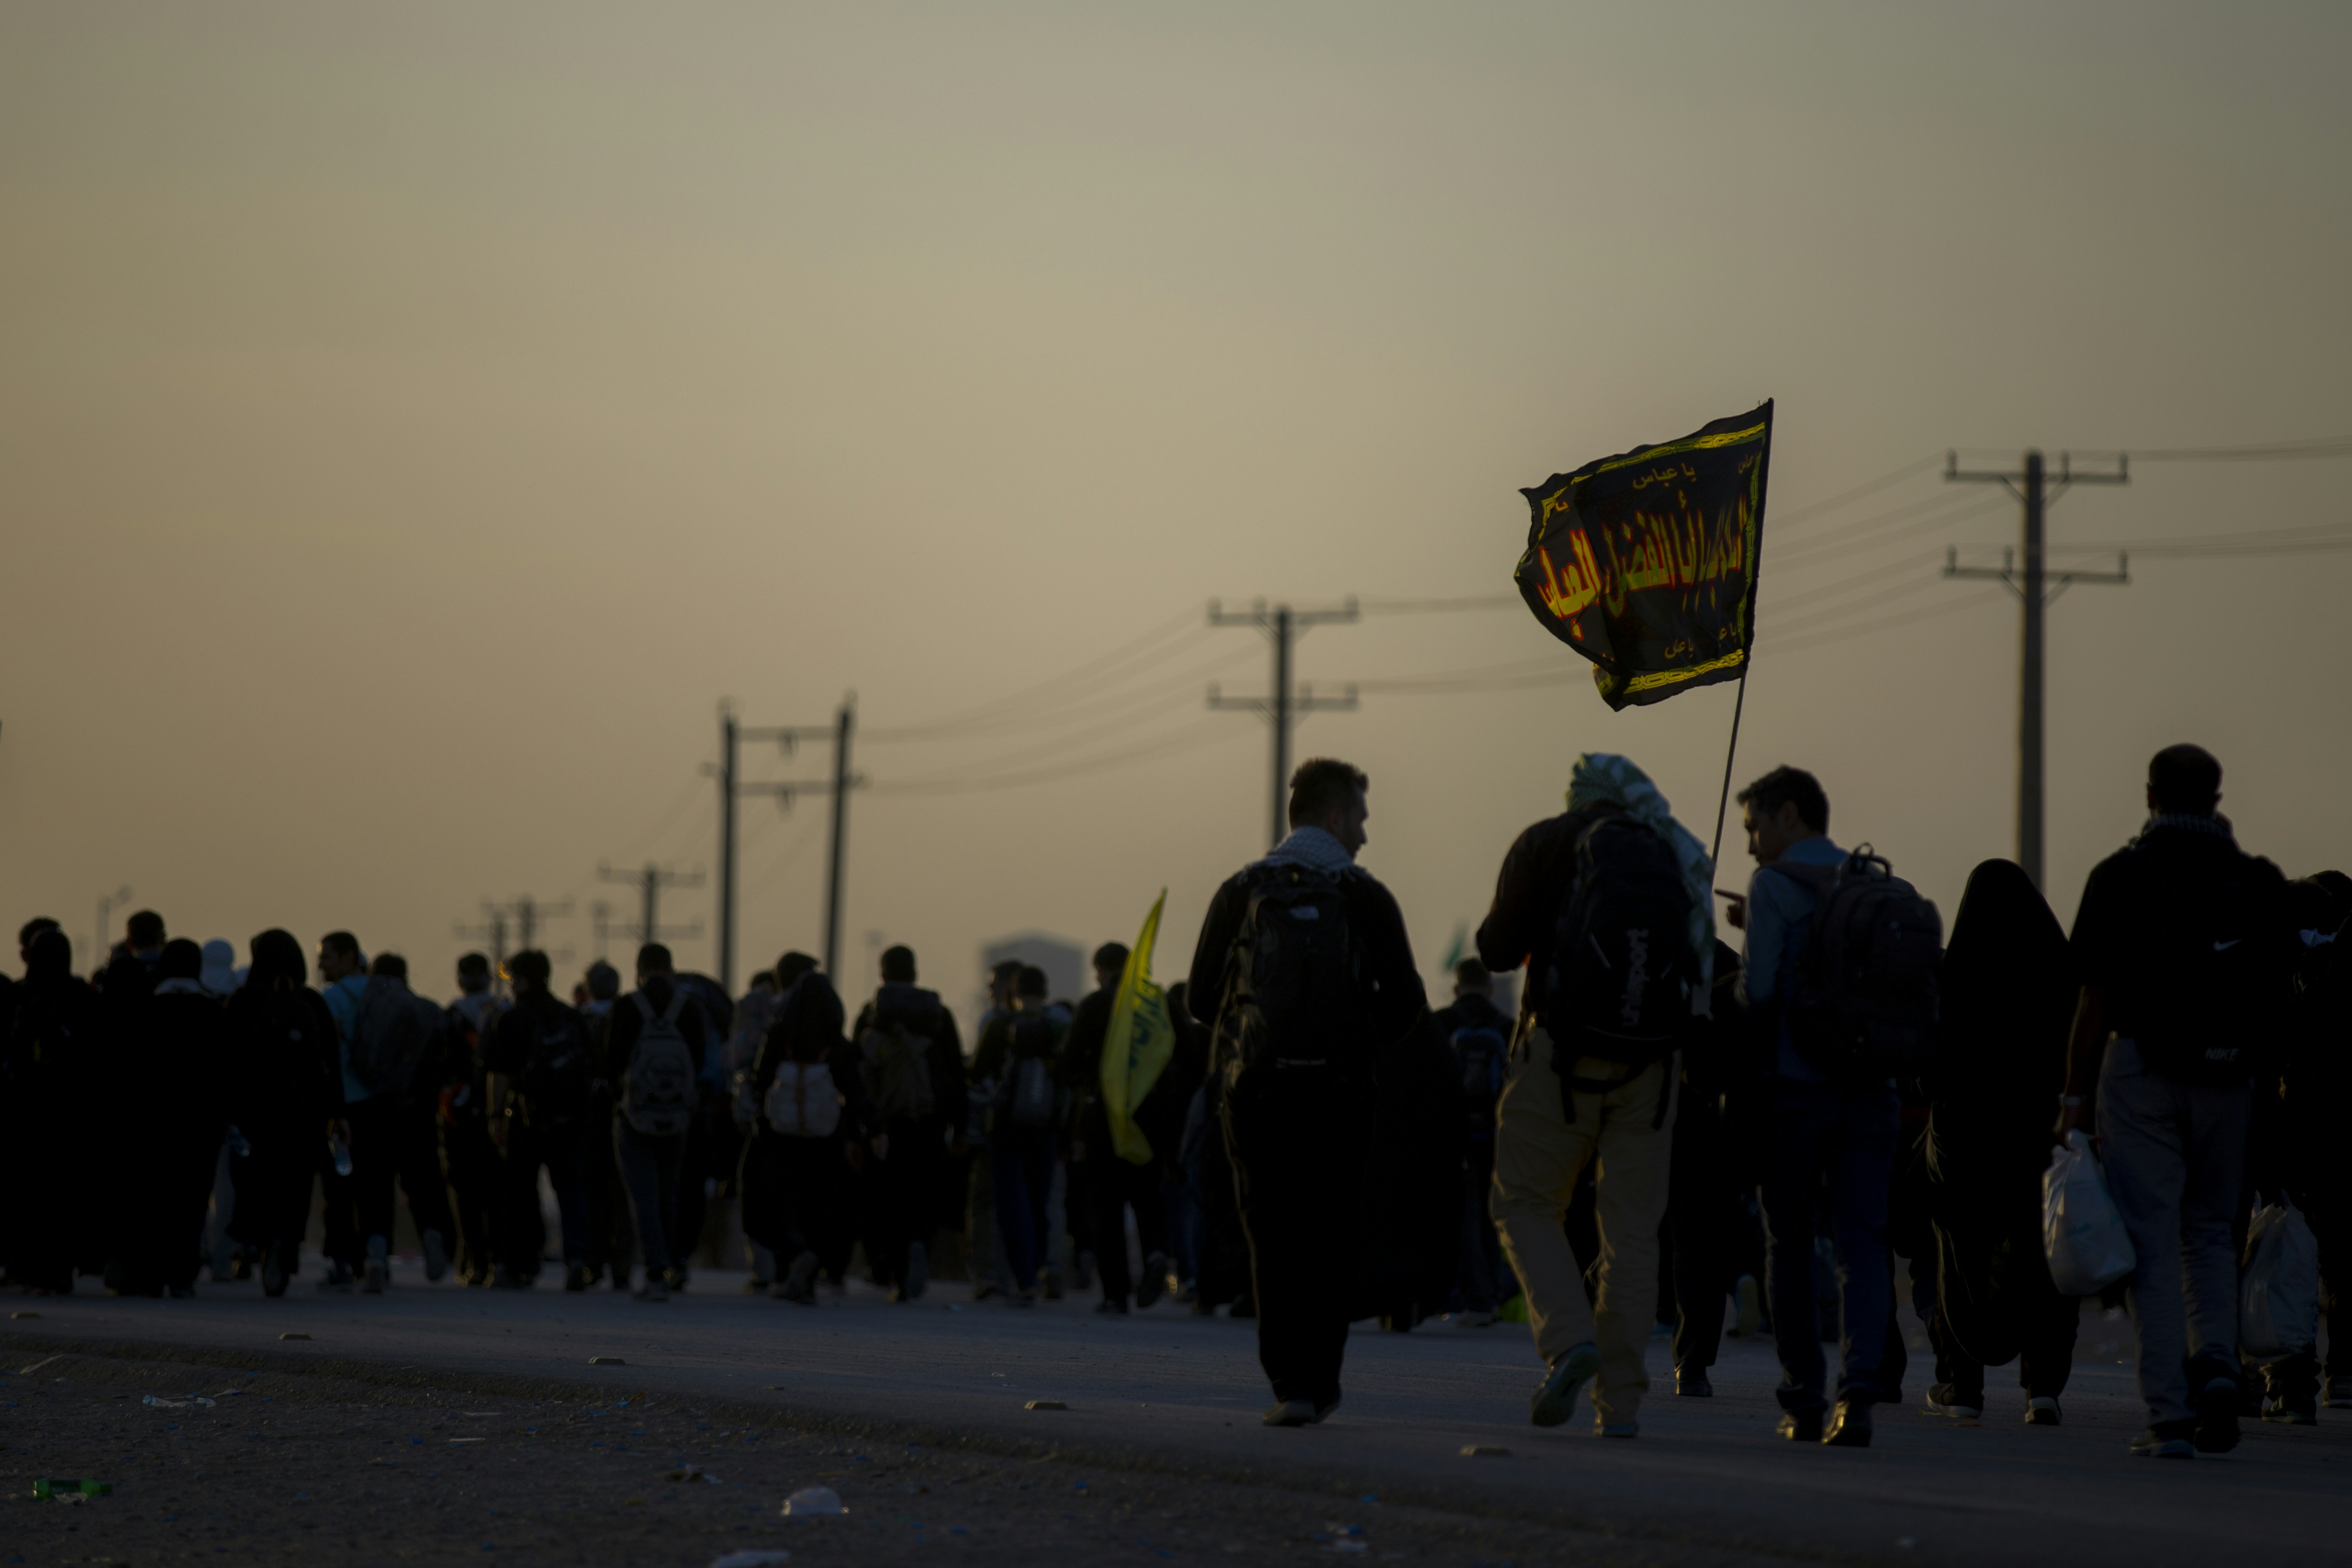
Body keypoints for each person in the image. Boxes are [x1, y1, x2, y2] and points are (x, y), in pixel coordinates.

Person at [2057, 744, 2294, 1458]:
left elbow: (2092, 997)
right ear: (2216, 798)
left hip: (2141, 1069)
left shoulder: (2119, 875)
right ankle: (2219, 1363)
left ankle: (2168, 1411)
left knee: (2152, 1241)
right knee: (2211, 1232)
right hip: (2231, 1077)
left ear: (2150, 797)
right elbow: (2278, 994)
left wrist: (2072, 1094)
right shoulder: (2257, 881)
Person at [1476, 753, 1712, 1437]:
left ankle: (1569, 1339)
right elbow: (1700, 965)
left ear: (1578, 796)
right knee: (1632, 1235)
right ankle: (1622, 1406)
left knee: (1523, 1201)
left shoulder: (1546, 841)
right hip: (1651, 1067)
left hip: (1559, 1055)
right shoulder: (1672, 851)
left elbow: (1495, 949)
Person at [1187, 757, 1427, 1425]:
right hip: (1338, 1094)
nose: (1365, 837)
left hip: (1257, 1095)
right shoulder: (1365, 895)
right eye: (1361, 820)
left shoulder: (1241, 891)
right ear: (1334, 817)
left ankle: (1287, 1383)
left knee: (1272, 1234)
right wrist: (1350, 1042)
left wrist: (1257, 1036)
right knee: (1330, 1232)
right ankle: (1321, 1381)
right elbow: (1407, 1000)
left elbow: (1200, 997)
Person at [1730, 764, 1905, 1447]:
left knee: (1791, 1241)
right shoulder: (1879, 884)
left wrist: (1747, 953)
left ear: (1791, 816)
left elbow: (1762, 992)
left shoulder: (1772, 886)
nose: (1751, 845)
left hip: (1796, 1093)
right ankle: (1858, 1390)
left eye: (1756, 827)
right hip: (1872, 1095)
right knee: (1863, 1245)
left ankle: (1803, 1396)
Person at [1921, 860, 2080, 1424]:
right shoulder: (2059, 972)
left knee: (1960, 1252)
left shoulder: (1958, 970)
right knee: (2044, 1258)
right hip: (2038, 1136)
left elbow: (1934, 1055)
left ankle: (1962, 1386)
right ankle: (2044, 1390)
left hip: (1969, 1137)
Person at [742, 963, 876, 1303]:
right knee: (821, 1207)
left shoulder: (779, 1037)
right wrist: (873, 1130)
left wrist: (758, 1119)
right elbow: (857, 1092)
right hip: (826, 1140)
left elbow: (759, 1083)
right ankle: (809, 1271)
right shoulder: (837, 1045)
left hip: (780, 1138)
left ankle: (793, 1258)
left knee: (775, 1202)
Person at [106, 940, 230, 1297]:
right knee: (190, 1199)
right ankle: (182, 1272)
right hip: (199, 1127)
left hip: (150, 1126)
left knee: (152, 1197)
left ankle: (148, 1270)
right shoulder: (213, 1015)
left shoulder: (145, 1013)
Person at [223, 929, 341, 1296]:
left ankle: (253, 1242)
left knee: (253, 1179)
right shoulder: (312, 1002)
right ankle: (283, 1251)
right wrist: (339, 1114)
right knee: (296, 1184)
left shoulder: (244, 1000)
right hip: (305, 1115)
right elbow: (331, 1063)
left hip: (254, 1112)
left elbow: (226, 1059)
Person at [851, 946, 968, 1303]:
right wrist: (960, 1127)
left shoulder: (871, 1016)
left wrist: (857, 1128)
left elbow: (857, 1073)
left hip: (884, 1122)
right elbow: (956, 1073)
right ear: (916, 973)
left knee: (885, 1195)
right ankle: (919, 1244)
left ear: (883, 974)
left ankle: (892, 1268)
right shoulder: (938, 1015)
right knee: (924, 1192)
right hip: (930, 1119)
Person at [1062, 942, 1173, 1314]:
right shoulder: (1157, 1002)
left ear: (1102, 970)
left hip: (1105, 1116)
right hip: (1152, 1114)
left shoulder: (1094, 1005)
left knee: (1107, 1205)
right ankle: (1156, 1252)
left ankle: (1115, 1294)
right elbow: (1182, 1052)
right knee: (1147, 1195)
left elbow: (1069, 1062)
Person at [596, 943, 710, 1302]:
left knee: (642, 1195)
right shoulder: (689, 1007)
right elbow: (700, 1059)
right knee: (669, 1191)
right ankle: (676, 1263)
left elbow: (610, 1062)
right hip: (677, 1117)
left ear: (639, 970)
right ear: (671, 969)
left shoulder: (627, 1006)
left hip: (634, 1115)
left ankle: (655, 1271)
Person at [486, 949, 596, 1290]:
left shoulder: (513, 1019)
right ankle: (577, 1259)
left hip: (526, 1118)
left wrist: (495, 1116)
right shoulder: (571, 1016)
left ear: (522, 979)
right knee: (571, 1191)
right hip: (568, 1119)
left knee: (521, 1191)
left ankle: (523, 1263)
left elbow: (500, 1074)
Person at [3, 927, 98, 1294]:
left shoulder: (16, 997)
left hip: (21, 1110)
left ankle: (19, 1265)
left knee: (21, 1190)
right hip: (68, 1114)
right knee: (63, 1193)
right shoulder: (81, 997)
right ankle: (59, 1269)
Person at [973, 966, 1066, 1305]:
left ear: (1014, 993)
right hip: (1046, 1128)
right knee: (1041, 1202)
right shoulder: (1060, 1028)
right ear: (1045, 992)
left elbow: (978, 1070)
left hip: (1005, 1126)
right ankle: (1043, 1267)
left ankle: (1025, 1280)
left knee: (1012, 1202)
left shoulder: (1000, 1025)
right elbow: (1071, 1078)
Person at [1430, 959, 1511, 1326]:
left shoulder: (1442, 1022)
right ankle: (1492, 1292)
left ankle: (1465, 1295)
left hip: (1454, 1133)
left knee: (1459, 1212)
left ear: (1456, 988)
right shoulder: (1507, 1026)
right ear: (1490, 987)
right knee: (1493, 1215)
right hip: (1498, 1134)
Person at [314, 930, 391, 1292]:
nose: (320, 965)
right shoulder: (385, 995)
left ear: (348, 957)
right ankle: (378, 1254)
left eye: (327, 957)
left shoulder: (330, 1000)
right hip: (380, 1103)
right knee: (377, 1182)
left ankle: (343, 1262)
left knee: (339, 1184)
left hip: (342, 1105)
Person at [440, 952, 507, 1287]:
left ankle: (474, 1260)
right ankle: (501, 1260)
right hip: (499, 1112)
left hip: (459, 1114)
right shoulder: (503, 1012)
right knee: (498, 1190)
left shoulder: (452, 1015)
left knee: (465, 1192)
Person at [963, 959, 1024, 1300]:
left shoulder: (994, 1022)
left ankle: (990, 1276)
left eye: (991, 986)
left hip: (994, 1123)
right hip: (1031, 1126)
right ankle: (1024, 1274)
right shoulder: (1042, 1023)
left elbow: (977, 1073)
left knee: (985, 1201)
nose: (988, 993)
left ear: (1005, 986)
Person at [574, 959, 631, 1290]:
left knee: (590, 1192)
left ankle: (592, 1261)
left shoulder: (578, 1019)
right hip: (627, 1114)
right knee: (623, 1193)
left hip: (587, 1119)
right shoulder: (631, 1016)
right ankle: (622, 1264)